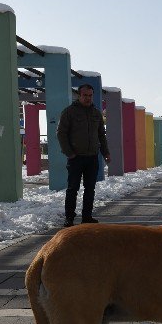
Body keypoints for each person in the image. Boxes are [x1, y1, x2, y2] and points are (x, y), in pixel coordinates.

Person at [57, 83, 110, 228]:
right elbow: (61, 133)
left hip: (92, 158)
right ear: (79, 95)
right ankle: (69, 218)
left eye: (90, 95)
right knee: (72, 188)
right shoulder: (69, 112)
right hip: (76, 158)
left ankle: (87, 216)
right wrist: (69, 153)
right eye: (85, 95)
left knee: (90, 188)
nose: (88, 98)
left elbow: (101, 135)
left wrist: (105, 152)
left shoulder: (96, 113)